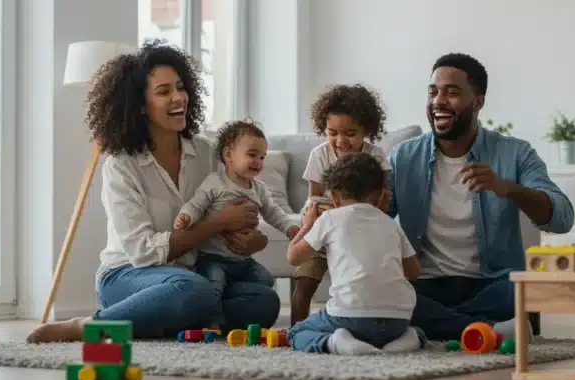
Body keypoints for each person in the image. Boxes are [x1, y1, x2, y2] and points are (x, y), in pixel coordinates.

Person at [25, 40, 280, 343]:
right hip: (127, 275)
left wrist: (249, 239)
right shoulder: (121, 166)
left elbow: (244, 218)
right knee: (192, 290)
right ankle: (89, 325)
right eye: (164, 92)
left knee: (263, 300)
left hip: (195, 273)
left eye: (181, 87)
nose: (179, 98)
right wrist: (216, 224)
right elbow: (143, 252)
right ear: (140, 106)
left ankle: (154, 324)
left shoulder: (208, 153)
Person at [386, 53, 575, 341]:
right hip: (423, 283)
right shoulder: (403, 156)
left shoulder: (514, 153)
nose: (438, 101)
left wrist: (508, 188)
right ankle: (481, 330)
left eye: (452, 92)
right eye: (433, 91)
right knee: (386, 294)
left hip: (492, 285)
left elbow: (562, 217)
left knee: (524, 289)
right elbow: (375, 212)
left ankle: (441, 325)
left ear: (478, 101)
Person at [286, 153, 423, 354]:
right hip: (399, 319)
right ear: (381, 196)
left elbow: (293, 257)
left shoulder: (330, 219)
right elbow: (414, 271)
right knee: (418, 331)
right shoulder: (391, 224)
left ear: (332, 196)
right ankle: (408, 340)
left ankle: (335, 342)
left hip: (349, 317)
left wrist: (308, 225)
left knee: (297, 332)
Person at [174, 119, 300, 328]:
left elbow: (273, 212)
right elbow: (196, 204)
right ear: (228, 155)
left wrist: (289, 227)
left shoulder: (258, 189)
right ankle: (212, 321)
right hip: (213, 257)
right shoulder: (216, 183)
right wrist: (186, 216)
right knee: (213, 286)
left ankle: (233, 296)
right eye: (252, 155)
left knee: (266, 279)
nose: (258, 162)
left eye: (262, 157)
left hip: (242, 260)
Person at [291, 83, 392, 325]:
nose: (340, 140)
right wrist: (321, 219)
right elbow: (314, 199)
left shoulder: (375, 156)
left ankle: (366, 323)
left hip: (360, 235)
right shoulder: (320, 155)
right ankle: (296, 329)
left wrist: (352, 216)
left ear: (366, 129)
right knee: (304, 283)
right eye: (332, 132)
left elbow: (384, 200)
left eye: (350, 133)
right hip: (323, 232)